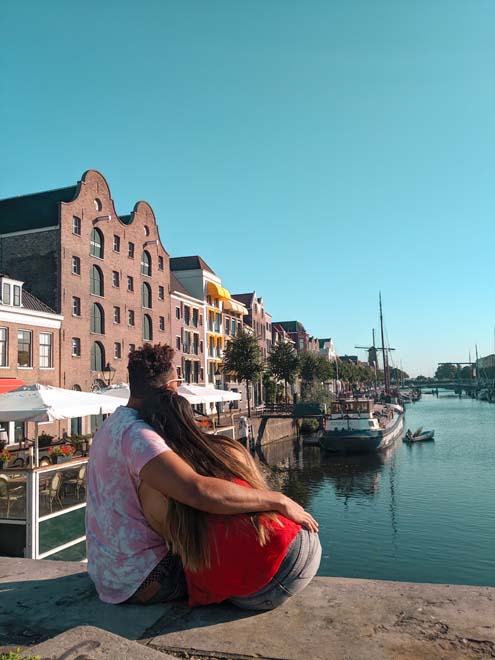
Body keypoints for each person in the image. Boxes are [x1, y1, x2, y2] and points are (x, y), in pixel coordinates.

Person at [86, 344, 318, 605]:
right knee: (225, 561)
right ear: (170, 386)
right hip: (144, 577)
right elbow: (196, 490)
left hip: (107, 572)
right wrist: (278, 500)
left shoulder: (111, 426)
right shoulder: (139, 437)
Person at [140, 389, 322, 610]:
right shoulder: (226, 447)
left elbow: (169, 539)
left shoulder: (151, 486)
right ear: (191, 418)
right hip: (297, 553)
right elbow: (257, 492)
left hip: (247, 594)